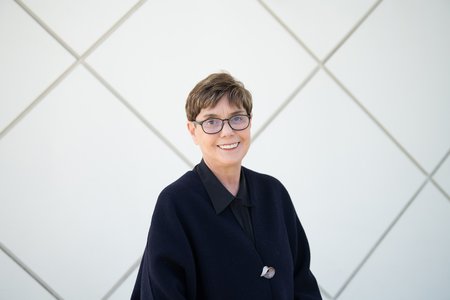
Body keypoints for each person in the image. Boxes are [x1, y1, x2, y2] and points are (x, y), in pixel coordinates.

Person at [131, 72, 322, 299]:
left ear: (250, 122)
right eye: (211, 122)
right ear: (193, 131)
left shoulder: (274, 193)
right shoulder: (176, 203)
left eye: (237, 118)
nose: (228, 131)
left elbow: (302, 283)